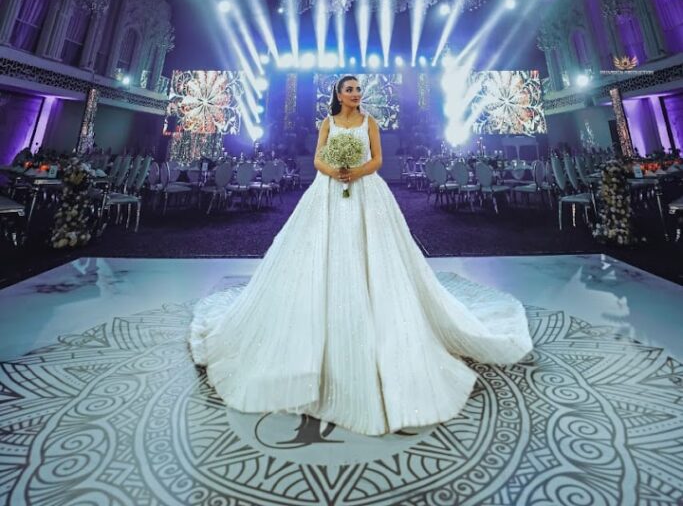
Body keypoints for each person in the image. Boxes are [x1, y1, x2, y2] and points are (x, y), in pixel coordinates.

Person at [189, 74, 533, 437]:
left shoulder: (371, 122)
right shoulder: (327, 122)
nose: (355, 94)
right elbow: (318, 158)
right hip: (327, 193)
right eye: (349, 90)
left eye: (358, 90)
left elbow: (379, 160)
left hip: (367, 191)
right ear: (338, 94)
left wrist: (354, 171)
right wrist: (334, 172)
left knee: (376, 255)